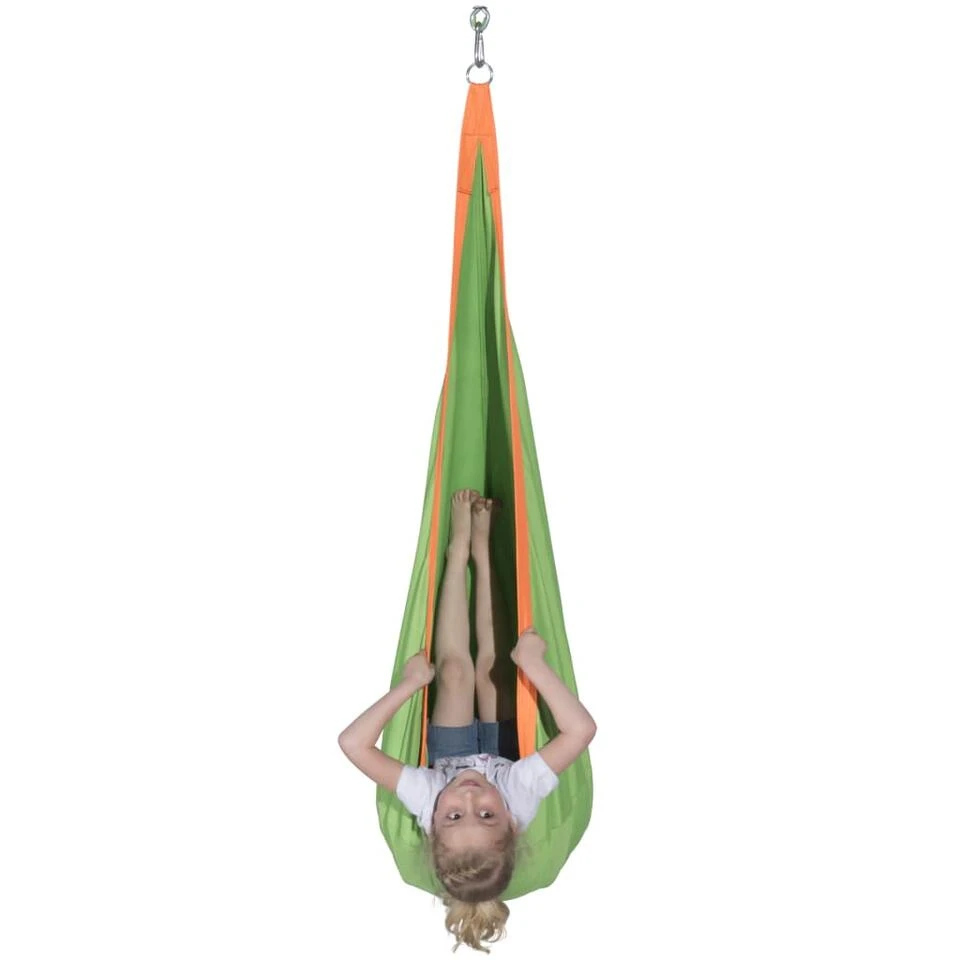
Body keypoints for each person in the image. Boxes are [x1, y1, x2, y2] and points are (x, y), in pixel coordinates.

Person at [338, 489, 596, 952]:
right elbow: (580, 731)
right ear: (512, 823)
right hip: (505, 749)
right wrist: (534, 665)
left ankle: (458, 553)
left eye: (455, 815)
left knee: (455, 673)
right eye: (487, 815)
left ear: (433, 823)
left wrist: (410, 685)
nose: (471, 797)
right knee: (495, 665)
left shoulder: (427, 798)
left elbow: (353, 744)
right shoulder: (519, 795)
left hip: (450, 749)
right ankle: (484, 551)